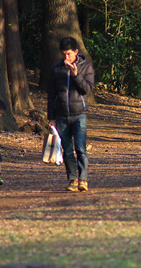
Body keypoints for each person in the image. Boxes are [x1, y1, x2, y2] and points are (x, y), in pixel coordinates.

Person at [47, 36, 94, 192]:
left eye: (68, 54)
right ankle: (72, 179)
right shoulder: (56, 70)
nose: (66, 57)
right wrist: (51, 117)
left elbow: (86, 89)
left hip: (79, 114)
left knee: (80, 148)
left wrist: (75, 74)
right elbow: (51, 95)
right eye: (63, 54)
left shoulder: (86, 67)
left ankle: (83, 180)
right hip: (61, 116)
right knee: (67, 150)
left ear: (76, 52)